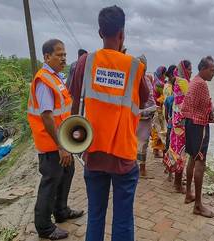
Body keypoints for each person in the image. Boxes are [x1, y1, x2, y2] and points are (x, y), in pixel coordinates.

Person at [68, 5, 149, 241]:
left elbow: (75, 100)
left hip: (93, 151)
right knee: (123, 220)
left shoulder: (86, 61)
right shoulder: (135, 66)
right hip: (123, 155)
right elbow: (144, 99)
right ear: (122, 34)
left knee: (95, 216)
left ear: (99, 32)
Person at [27, 39, 84, 240]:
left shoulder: (57, 78)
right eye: (59, 54)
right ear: (47, 57)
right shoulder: (43, 80)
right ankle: (44, 227)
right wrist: (61, 145)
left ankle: (61, 211)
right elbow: (47, 116)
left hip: (61, 141)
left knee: (67, 172)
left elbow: (64, 110)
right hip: (51, 143)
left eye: (64, 54)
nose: (63, 58)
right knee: (51, 181)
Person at [182, 56, 214, 218]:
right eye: (212, 70)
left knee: (191, 158)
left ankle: (189, 193)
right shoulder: (201, 84)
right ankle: (198, 205)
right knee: (200, 163)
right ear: (203, 69)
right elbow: (208, 107)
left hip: (190, 123)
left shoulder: (194, 81)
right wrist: (212, 115)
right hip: (199, 126)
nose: (213, 73)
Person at [163, 60, 192, 193]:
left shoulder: (176, 82)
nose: (191, 72)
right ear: (185, 70)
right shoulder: (184, 82)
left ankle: (177, 181)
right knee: (181, 154)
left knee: (176, 150)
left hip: (176, 122)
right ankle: (177, 185)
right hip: (182, 124)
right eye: (190, 69)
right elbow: (190, 100)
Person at [136, 55, 156, 178]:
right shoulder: (134, 80)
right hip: (136, 116)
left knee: (143, 142)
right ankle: (138, 168)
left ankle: (142, 168)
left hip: (146, 116)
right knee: (136, 142)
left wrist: (151, 109)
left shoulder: (146, 80)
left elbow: (150, 98)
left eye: (142, 65)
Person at [150, 66, 167, 158]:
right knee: (160, 130)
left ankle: (155, 150)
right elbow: (164, 95)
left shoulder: (154, 82)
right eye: (164, 74)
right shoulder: (160, 84)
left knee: (156, 130)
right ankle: (158, 151)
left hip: (154, 108)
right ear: (161, 74)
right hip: (158, 109)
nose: (165, 76)